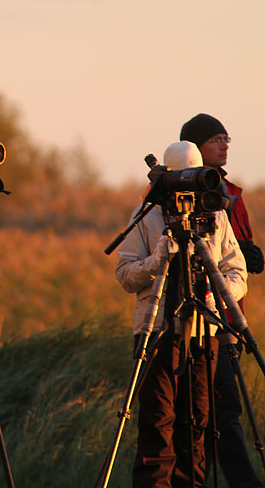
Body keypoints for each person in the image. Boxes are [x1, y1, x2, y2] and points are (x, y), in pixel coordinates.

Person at [116, 141, 247, 487]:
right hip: (157, 332)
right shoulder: (148, 215)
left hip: (203, 333)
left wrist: (217, 294)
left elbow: (238, 273)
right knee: (158, 426)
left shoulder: (215, 215)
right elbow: (125, 274)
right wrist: (157, 261)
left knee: (197, 425)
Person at [181, 113, 264, 488]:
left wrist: (248, 255)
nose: (225, 145)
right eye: (216, 139)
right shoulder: (179, 195)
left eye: (225, 137)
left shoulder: (234, 195)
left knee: (222, 409)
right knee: (219, 409)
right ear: (194, 148)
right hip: (193, 319)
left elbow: (235, 261)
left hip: (228, 316)